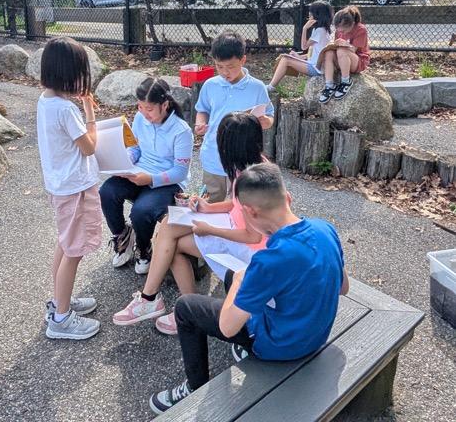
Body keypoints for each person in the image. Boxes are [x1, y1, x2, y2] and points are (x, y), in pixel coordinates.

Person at [149, 162, 349, 414]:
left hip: (280, 346)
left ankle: (194, 386)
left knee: (186, 307)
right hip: (315, 335)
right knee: (234, 275)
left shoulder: (268, 261)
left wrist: (240, 282)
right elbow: (343, 287)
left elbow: (227, 327)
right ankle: (243, 344)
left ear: (250, 212)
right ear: (288, 197)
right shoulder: (325, 229)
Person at [112, 113, 267, 335]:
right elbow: (236, 204)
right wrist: (207, 207)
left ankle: (155, 300)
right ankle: (175, 305)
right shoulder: (250, 165)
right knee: (169, 226)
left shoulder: (253, 181)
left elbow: (254, 236)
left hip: (248, 249)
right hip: (233, 227)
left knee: (171, 241)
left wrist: (210, 229)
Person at [37, 37, 102, 340]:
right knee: (74, 251)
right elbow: (89, 147)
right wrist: (90, 113)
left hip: (60, 186)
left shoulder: (45, 100)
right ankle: (61, 319)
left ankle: (60, 300)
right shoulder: (65, 109)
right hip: (75, 188)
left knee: (65, 244)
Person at [99, 77, 193, 274]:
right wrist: (125, 161)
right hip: (139, 172)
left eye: (149, 109)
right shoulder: (141, 117)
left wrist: (151, 179)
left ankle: (144, 249)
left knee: (141, 211)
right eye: (140, 107)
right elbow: (135, 148)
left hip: (167, 181)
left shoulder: (181, 131)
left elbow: (180, 172)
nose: (143, 112)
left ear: (164, 105)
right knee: (107, 191)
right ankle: (123, 236)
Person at [195, 30, 274, 203]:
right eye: (219, 66)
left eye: (230, 67)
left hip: (243, 157)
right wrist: (200, 123)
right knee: (211, 200)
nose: (225, 72)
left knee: (240, 202)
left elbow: (269, 116)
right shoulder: (210, 85)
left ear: (243, 60)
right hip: (213, 155)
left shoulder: (257, 87)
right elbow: (202, 109)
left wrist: (265, 122)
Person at [267, 0, 333, 91]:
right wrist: (299, 57)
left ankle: (270, 87)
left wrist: (304, 28)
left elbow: (303, 47)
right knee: (286, 58)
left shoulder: (320, 31)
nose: (309, 14)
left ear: (318, 15)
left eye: (311, 12)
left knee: (285, 60)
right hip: (314, 65)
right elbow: (316, 53)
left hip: (316, 69)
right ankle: (271, 86)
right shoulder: (322, 29)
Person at [319, 5, 370, 103]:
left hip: (358, 61)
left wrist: (346, 44)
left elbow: (354, 50)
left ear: (352, 24)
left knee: (341, 50)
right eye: (338, 30)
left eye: (343, 30)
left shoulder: (361, 29)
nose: (341, 32)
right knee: (329, 53)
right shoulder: (339, 31)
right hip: (342, 60)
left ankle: (346, 81)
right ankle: (329, 85)